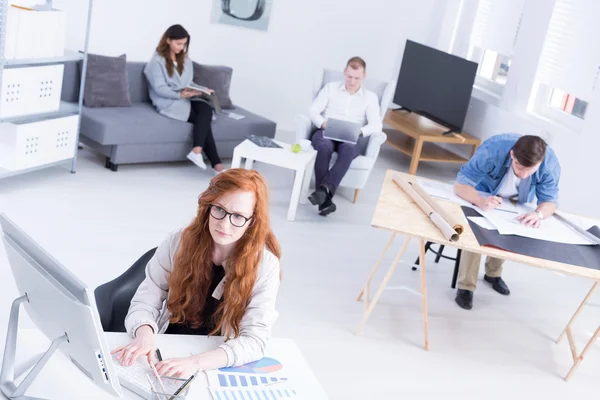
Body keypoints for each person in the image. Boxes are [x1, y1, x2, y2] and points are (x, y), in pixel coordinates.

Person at [111, 169, 281, 376]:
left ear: (252, 220)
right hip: (166, 346)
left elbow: (255, 340)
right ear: (207, 206)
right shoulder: (178, 242)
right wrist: (144, 334)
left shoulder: (265, 265)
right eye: (219, 209)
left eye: (238, 216)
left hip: (216, 358)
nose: (224, 224)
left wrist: (195, 363)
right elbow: (145, 301)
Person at [454, 134, 560, 310]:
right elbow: (460, 185)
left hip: (516, 202)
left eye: (530, 170)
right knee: (477, 234)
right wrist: (480, 201)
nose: (523, 174)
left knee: (508, 229)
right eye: (519, 166)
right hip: (482, 194)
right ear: (512, 155)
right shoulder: (492, 150)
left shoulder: (549, 164)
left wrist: (538, 214)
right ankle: (466, 287)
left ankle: (493, 274)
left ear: (540, 163)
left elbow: (550, 202)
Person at [144, 24, 225, 173]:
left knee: (206, 108)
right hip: (169, 100)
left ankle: (198, 151)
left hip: (186, 97)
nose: (181, 47)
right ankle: (217, 165)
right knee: (202, 119)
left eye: (184, 44)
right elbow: (160, 89)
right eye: (178, 43)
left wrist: (201, 89)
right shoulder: (156, 62)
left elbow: (188, 82)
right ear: (168, 40)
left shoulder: (186, 60)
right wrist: (180, 94)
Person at [307, 57, 382, 216]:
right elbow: (313, 111)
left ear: (364, 76)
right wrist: (323, 123)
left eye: (357, 78)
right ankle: (325, 198)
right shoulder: (330, 88)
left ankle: (323, 191)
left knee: (348, 149)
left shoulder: (370, 97)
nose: (352, 81)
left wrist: (359, 132)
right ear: (345, 72)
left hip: (351, 136)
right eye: (349, 77)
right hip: (326, 131)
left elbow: (377, 125)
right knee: (323, 146)